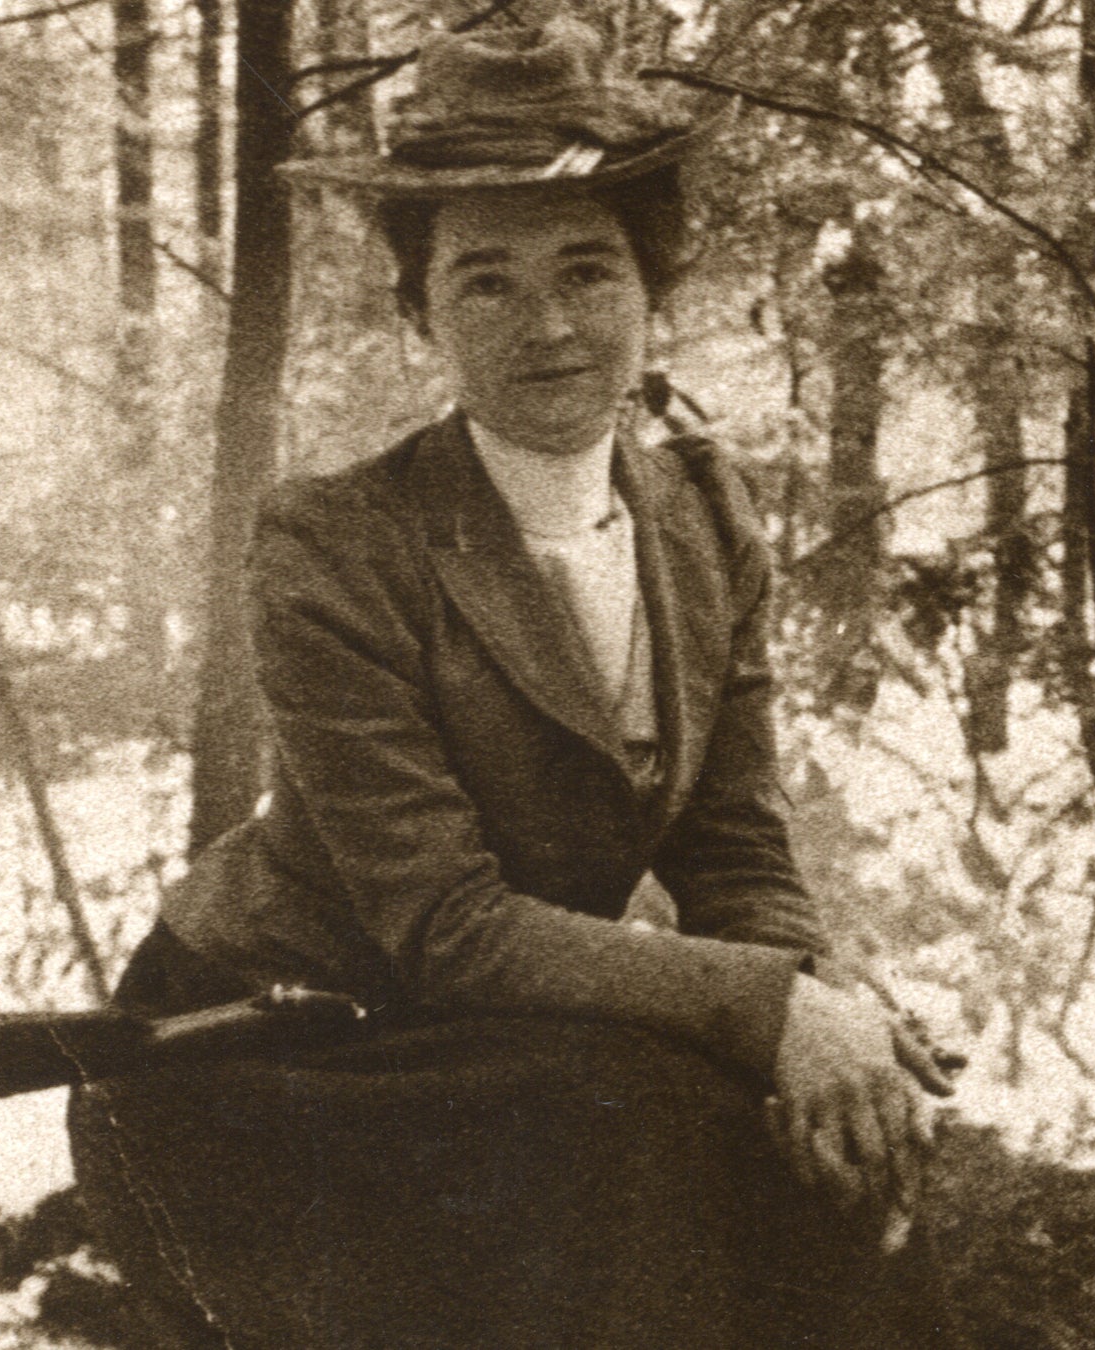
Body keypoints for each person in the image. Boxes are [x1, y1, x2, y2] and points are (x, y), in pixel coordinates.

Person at [67, 19, 950, 1349]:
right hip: (271, 1059)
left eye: (588, 269)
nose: (548, 326)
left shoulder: (707, 517)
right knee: (633, 1133)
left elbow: (739, 848)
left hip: (514, 1042)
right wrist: (770, 1010)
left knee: (825, 1149)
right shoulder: (336, 541)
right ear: (420, 310)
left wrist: (817, 1029)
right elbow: (447, 925)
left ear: (657, 288)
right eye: (485, 282)